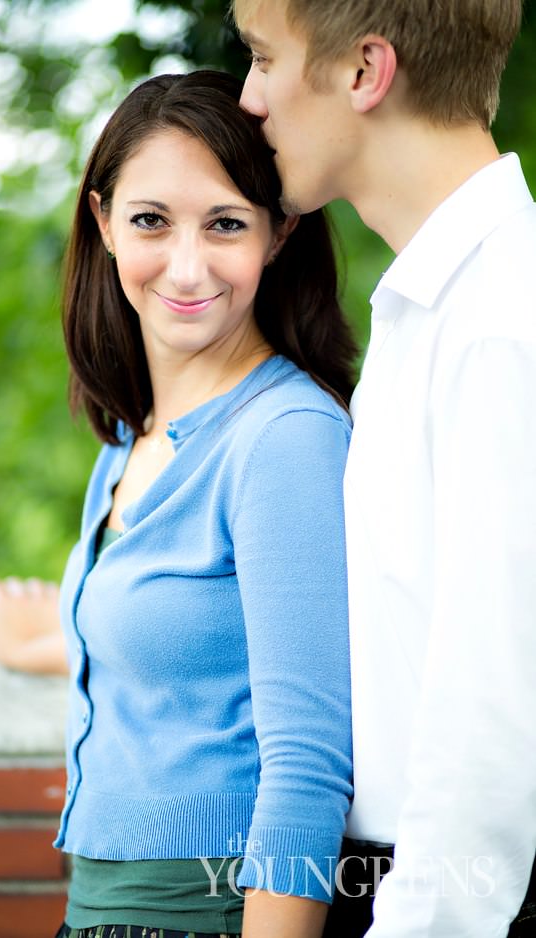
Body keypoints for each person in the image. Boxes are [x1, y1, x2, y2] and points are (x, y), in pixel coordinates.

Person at [233, 2, 536, 935]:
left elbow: (490, 715)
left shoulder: (500, 321)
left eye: (262, 58)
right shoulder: (430, 308)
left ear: (365, 72)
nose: (250, 98)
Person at [52, 68, 358, 938]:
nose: (186, 267)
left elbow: (306, 764)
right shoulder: (129, 440)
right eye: (151, 220)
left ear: (279, 234)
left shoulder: (285, 437)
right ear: (103, 221)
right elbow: (195, 644)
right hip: (100, 905)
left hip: (211, 909)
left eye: (225, 223)